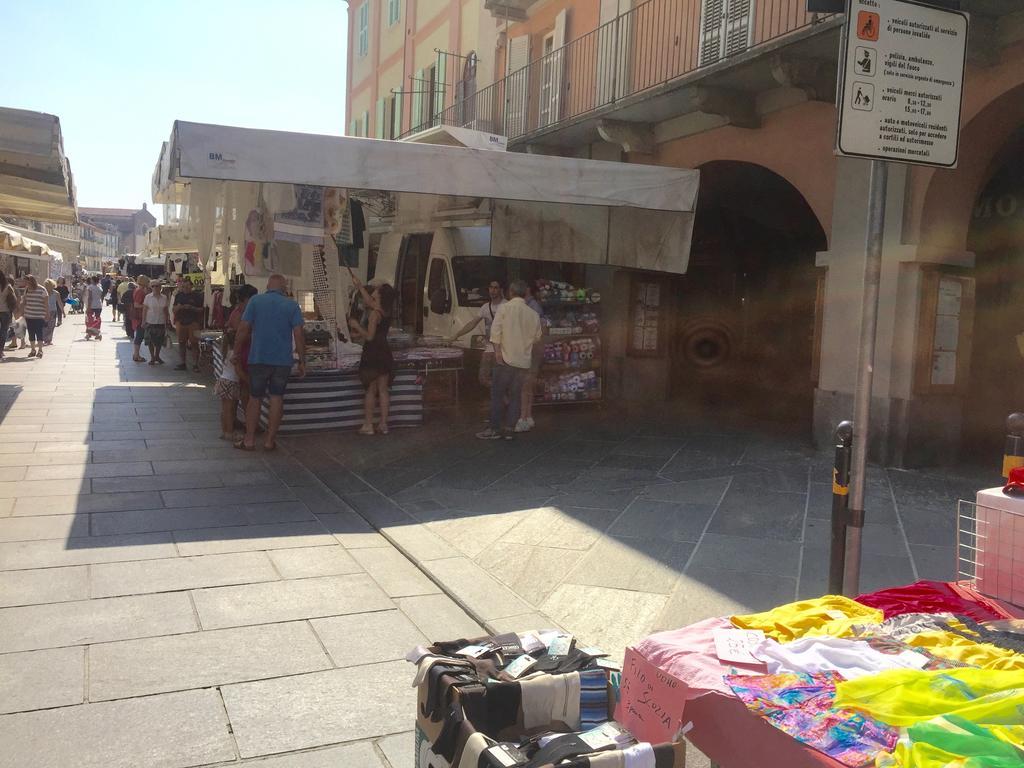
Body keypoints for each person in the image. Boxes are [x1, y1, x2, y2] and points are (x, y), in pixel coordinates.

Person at [234, 274, 305, 451]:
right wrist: (303, 359)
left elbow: (243, 329)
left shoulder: (256, 302)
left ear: (267, 285)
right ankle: (269, 441)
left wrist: (235, 351)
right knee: (276, 398)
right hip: (282, 361)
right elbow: (299, 334)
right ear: (284, 287)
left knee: (255, 398)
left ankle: (249, 440)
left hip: (258, 358)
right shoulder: (292, 305)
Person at [477, 279, 541, 440]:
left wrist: (498, 353)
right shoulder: (533, 314)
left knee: (497, 395)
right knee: (515, 395)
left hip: (505, 359)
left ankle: (494, 429)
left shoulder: (504, 309)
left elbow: (495, 332)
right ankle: (509, 429)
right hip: (523, 361)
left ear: (510, 293)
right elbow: (537, 337)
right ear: (525, 293)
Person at [348, 276, 395, 435]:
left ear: (380, 296)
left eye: (376, 291)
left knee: (370, 389)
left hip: (373, 353)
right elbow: (369, 301)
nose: (373, 292)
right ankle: (383, 424)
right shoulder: (386, 311)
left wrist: (356, 326)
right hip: (384, 352)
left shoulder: (375, 314)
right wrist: (360, 286)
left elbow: (369, 336)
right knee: (383, 390)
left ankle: (368, 425)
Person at [450, 279, 506, 387]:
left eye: (496, 288)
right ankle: (502, 397)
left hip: (505, 349)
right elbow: (472, 323)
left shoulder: (507, 306)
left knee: (501, 379)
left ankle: (501, 399)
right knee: (483, 379)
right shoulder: (485, 307)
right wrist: (457, 335)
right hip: (490, 348)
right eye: (491, 287)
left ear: (501, 290)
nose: (492, 291)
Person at [517, 280, 545, 433]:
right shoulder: (533, 307)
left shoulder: (532, 308)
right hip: (533, 350)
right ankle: (528, 416)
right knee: (528, 385)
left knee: (525, 385)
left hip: (529, 350)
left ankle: (523, 417)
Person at [226, 284, 258, 417]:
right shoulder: (241, 312)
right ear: (247, 298)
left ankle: (243, 420)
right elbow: (240, 334)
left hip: (244, 351)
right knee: (246, 388)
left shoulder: (238, 311)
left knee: (243, 388)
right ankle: (248, 419)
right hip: (244, 352)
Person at [172, 279, 204, 372]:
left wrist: (192, 308)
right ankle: (183, 363)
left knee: (194, 343)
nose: (185, 288)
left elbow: (202, 309)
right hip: (181, 322)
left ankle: (195, 364)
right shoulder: (178, 296)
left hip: (193, 322)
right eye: (183, 287)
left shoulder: (197, 296)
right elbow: (174, 309)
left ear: (191, 286)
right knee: (181, 343)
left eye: (187, 286)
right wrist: (179, 307)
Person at [215, 332, 242, 440]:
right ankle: (230, 432)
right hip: (231, 382)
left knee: (224, 409)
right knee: (230, 410)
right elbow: (238, 371)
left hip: (223, 381)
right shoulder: (235, 354)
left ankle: (224, 431)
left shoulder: (225, 352)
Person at [19, 274, 51, 359]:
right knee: (31, 333)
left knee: (39, 333)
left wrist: (47, 313)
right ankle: (33, 350)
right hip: (29, 316)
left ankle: (40, 350)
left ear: (30, 281)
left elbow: (46, 303)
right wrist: (21, 311)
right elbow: (24, 301)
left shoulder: (42, 289)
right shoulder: (27, 290)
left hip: (39, 316)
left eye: (26, 281)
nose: (25, 283)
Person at [142, 280, 170, 365]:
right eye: (153, 286)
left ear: (160, 287)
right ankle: (152, 357)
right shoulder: (148, 297)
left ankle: (157, 355)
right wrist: (143, 321)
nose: (155, 288)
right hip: (150, 321)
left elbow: (165, 310)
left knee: (159, 341)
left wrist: (167, 320)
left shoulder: (164, 297)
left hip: (160, 321)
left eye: (157, 286)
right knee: (150, 341)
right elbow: (144, 310)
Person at [131, 275, 151, 362]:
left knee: (139, 336)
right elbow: (136, 304)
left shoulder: (138, 290)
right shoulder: (140, 291)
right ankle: (136, 355)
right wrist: (147, 306)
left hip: (139, 317)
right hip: (140, 317)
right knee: (139, 336)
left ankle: (136, 354)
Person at [0, 271, 16, 361]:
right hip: (5, 311)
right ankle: (1, 351)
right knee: (3, 331)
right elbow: (14, 298)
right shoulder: (7, 286)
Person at [42, 279, 60, 345]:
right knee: (45, 326)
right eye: (46, 285)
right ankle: (46, 339)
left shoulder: (56, 293)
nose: (47, 287)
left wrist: (63, 311)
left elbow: (59, 302)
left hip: (53, 311)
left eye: (48, 285)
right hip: (45, 311)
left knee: (51, 326)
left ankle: (48, 340)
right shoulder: (43, 292)